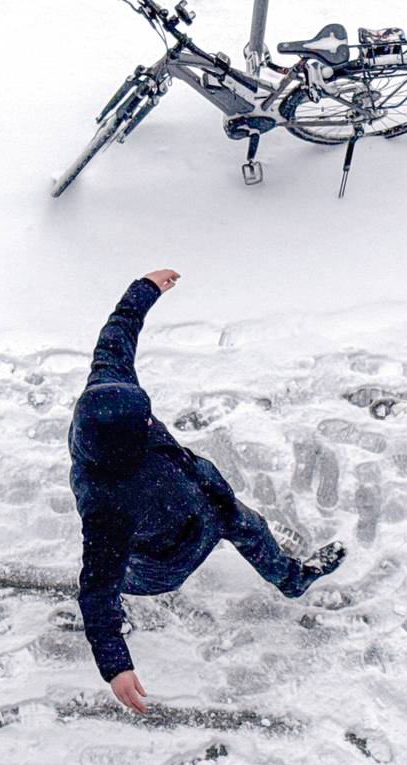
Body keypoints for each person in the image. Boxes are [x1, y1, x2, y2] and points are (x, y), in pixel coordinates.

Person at [68, 270, 346, 714]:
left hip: (213, 502)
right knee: (125, 579)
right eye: (143, 424)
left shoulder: (111, 387)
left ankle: (294, 581)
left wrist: (145, 288)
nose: (150, 421)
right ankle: (128, 611)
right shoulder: (107, 504)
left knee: (254, 532)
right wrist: (114, 662)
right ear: (121, 443)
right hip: (170, 554)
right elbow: (96, 586)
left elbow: (117, 334)